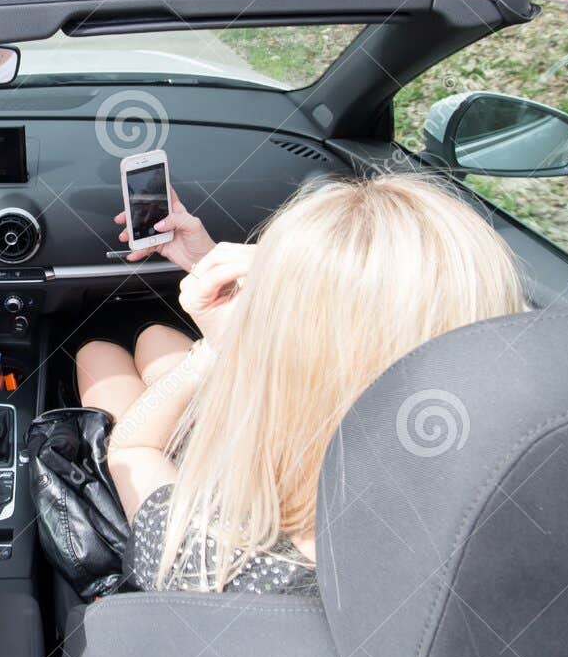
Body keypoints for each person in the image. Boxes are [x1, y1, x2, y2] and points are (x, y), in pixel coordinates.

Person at [75, 173, 526, 594]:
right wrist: (210, 268)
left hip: (216, 489)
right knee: (155, 337)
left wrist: (214, 351)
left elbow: (133, 450)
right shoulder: (488, 508)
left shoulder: (210, 563)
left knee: (96, 355)